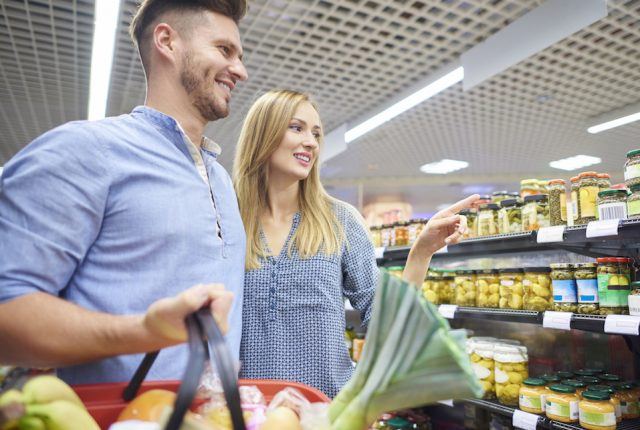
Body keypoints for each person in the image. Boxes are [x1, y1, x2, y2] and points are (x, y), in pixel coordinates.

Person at [0, 0, 248, 385]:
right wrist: (145, 332)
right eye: (224, 50)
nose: (241, 70)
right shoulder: (85, 151)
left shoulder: (222, 182)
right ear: (167, 41)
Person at [233, 89, 478, 397]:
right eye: (296, 128)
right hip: (249, 412)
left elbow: (385, 322)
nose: (311, 141)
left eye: (316, 133)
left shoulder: (339, 220)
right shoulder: (230, 221)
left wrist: (421, 252)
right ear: (263, 133)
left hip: (326, 411)